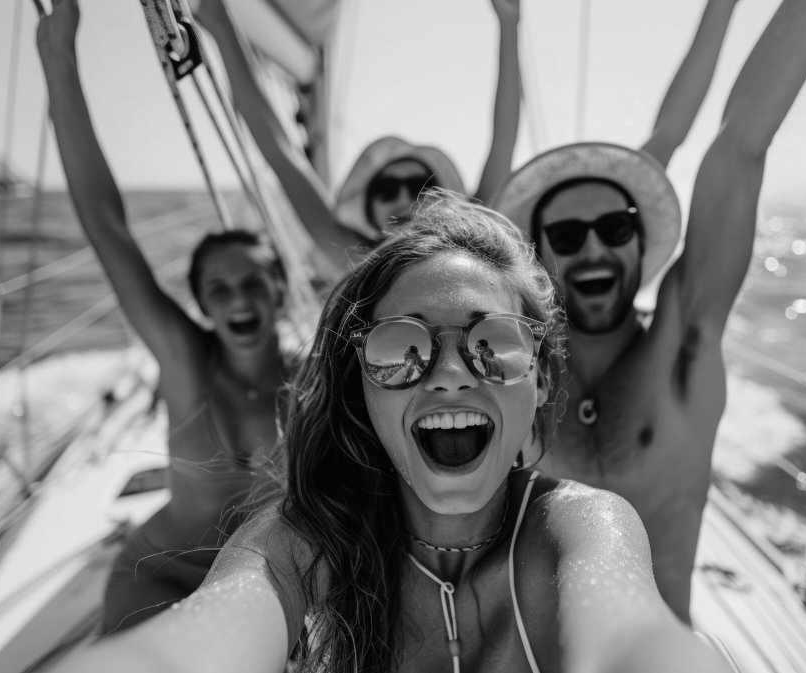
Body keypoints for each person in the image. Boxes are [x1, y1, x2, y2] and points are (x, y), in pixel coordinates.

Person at [43, 192, 734, 673]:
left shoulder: (580, 527)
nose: (451, 375)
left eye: (494, 343)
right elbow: (208, 635)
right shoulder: (303, 540)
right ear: (361, 387)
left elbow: (630, 637)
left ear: (543, 378)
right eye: (401, 348)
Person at [494, 0, 806, 623]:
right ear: (538, 257)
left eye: (614, 228)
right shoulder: (517, 369)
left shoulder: (684, 339)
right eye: (568, 236)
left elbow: (742, 144)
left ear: (640, 242)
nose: (594, 249)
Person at [38, 0, 290, 632]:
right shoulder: (185, 359)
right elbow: (106, 227)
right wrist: (58, 57)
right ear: (201, 304)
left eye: (253, 283)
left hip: (262, 584)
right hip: (161, 572)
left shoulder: (313, 377)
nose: (238, 300)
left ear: (281, 290)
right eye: (219, 289)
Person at [194, 0, 522, 258]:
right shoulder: (352, 262)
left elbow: (504, 142)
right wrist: (222, 27)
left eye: (422, 187)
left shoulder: (473, 246)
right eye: (386, 190)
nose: (405, 199)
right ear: (368, 208)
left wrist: (509, 23)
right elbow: (279, 153)